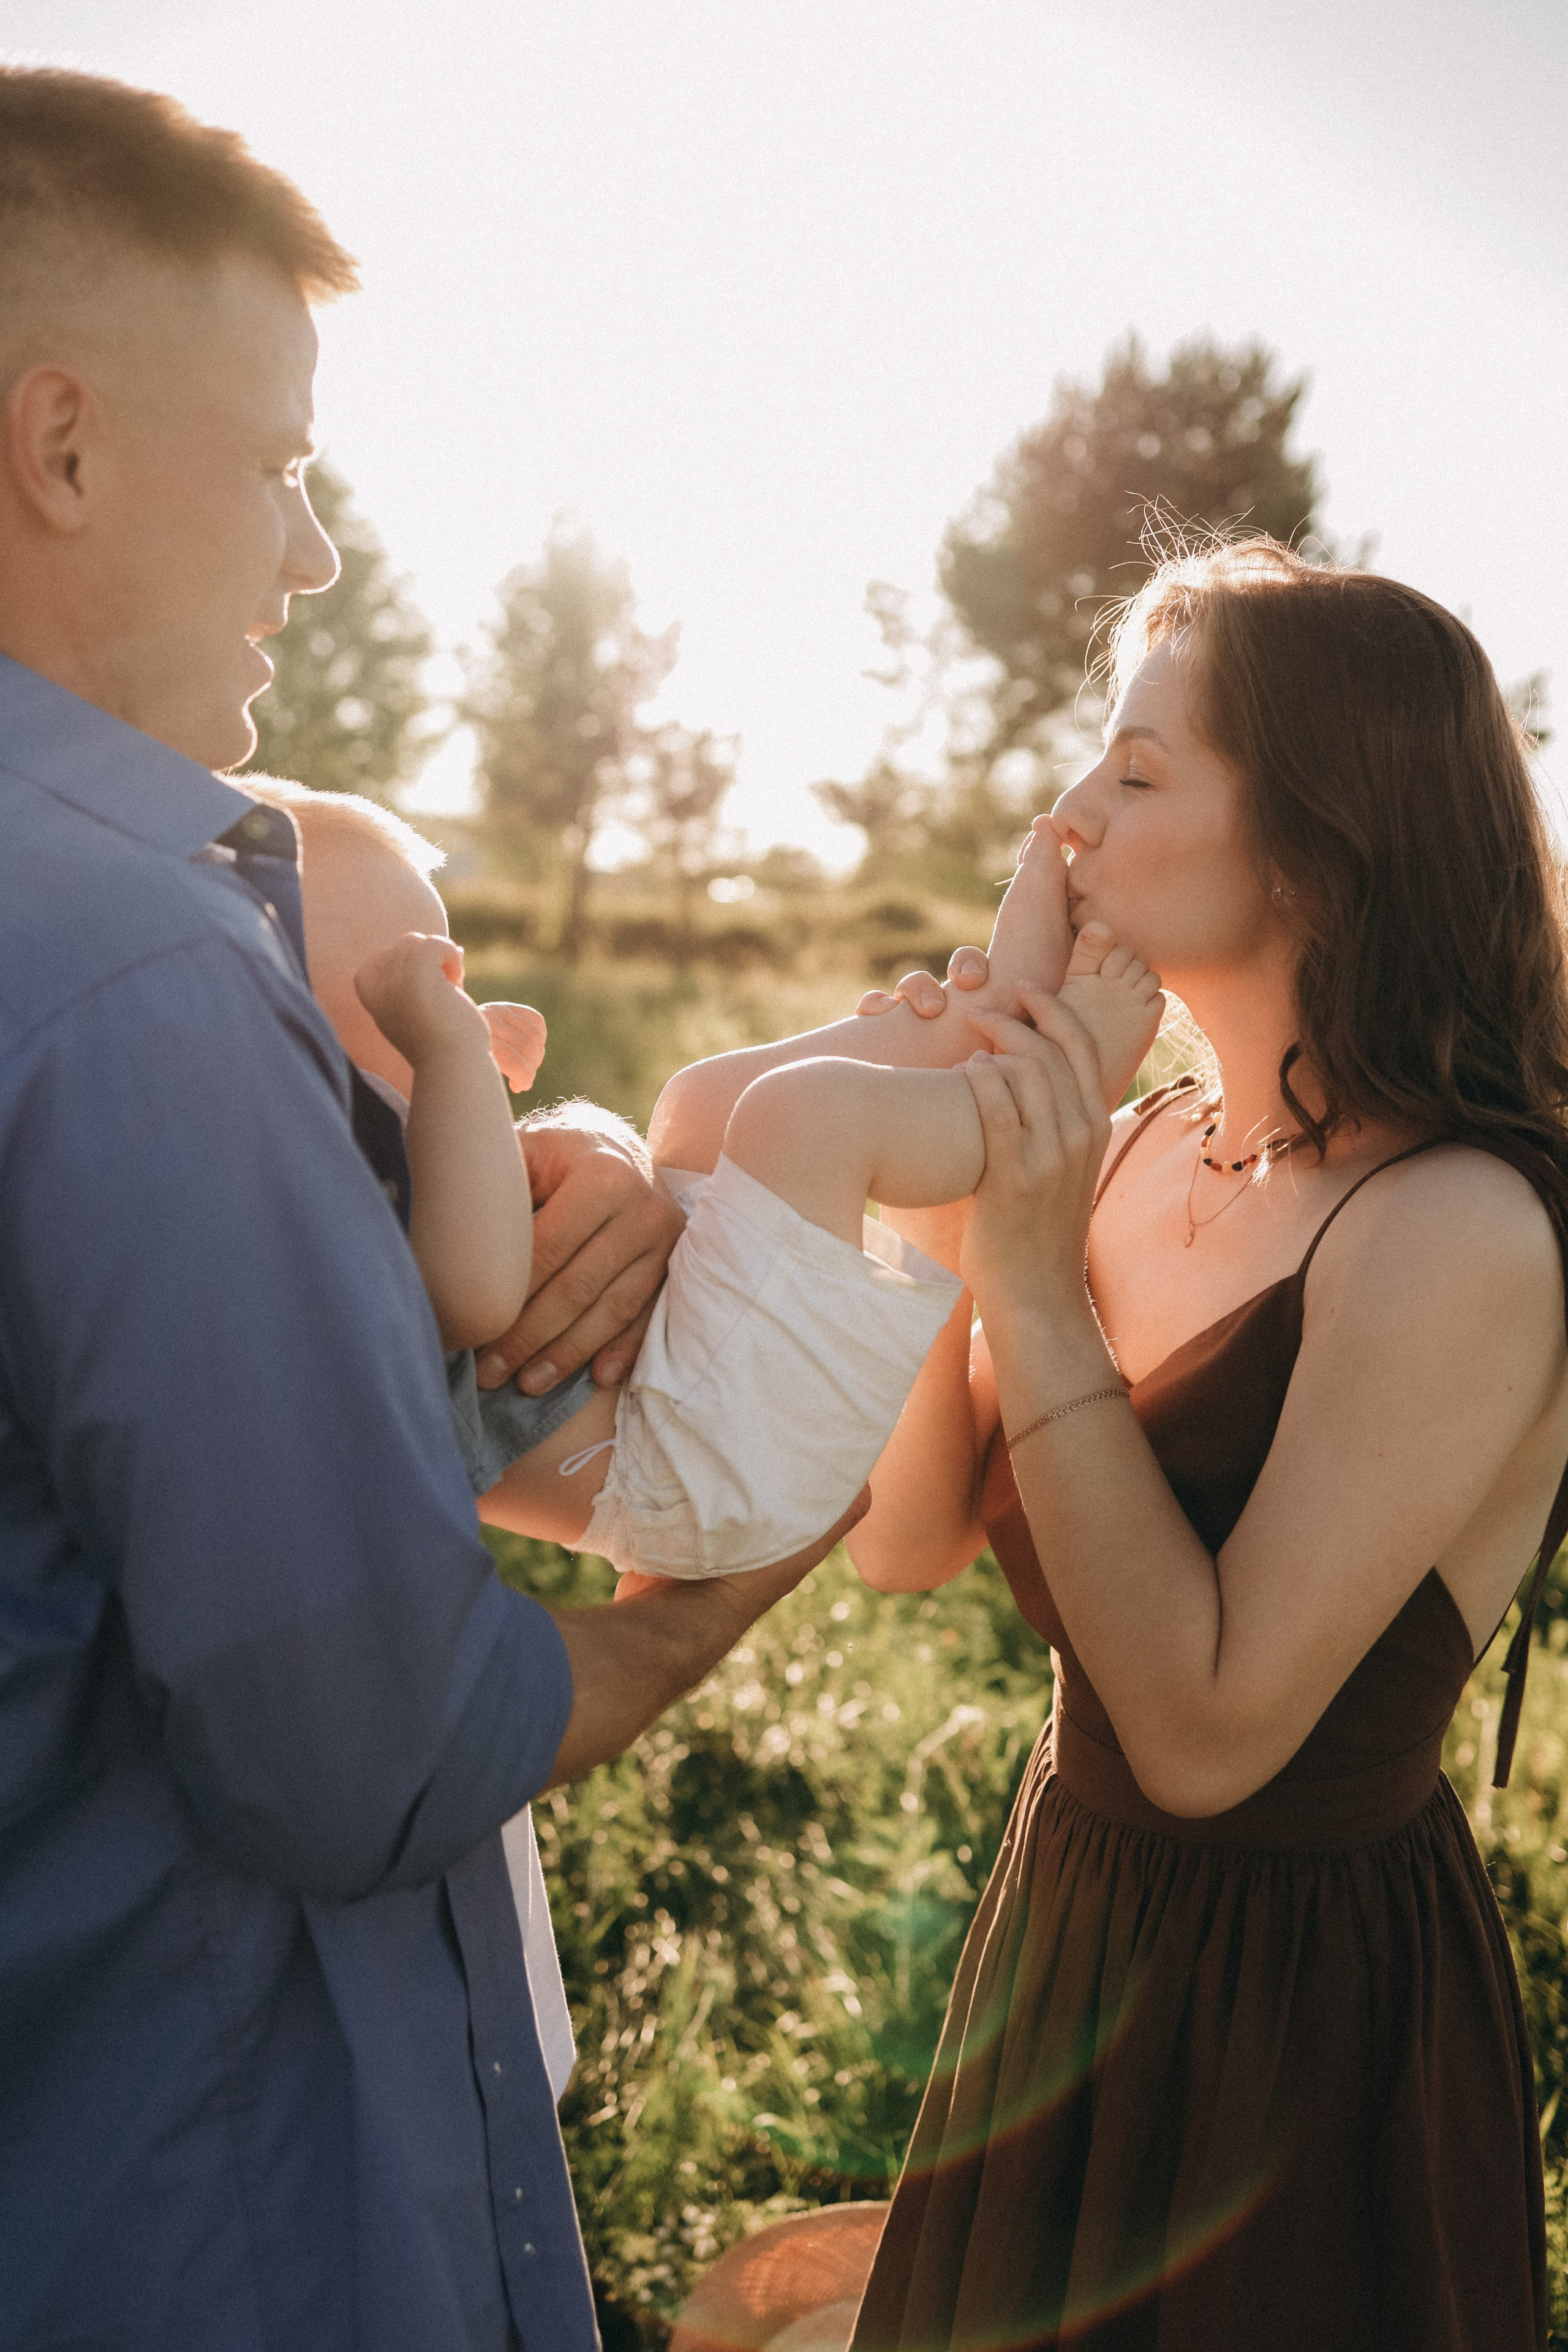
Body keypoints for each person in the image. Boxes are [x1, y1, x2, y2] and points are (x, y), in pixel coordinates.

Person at [0, 69, 857, 2352]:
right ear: (60, 445)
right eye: (280, 465)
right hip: (191, 2215)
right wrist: (713, 1599)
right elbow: (364, 1751)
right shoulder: (140, 974)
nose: (312, 557)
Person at [831, 540, 1568, 2350]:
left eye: (1139, 772)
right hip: (1068, 1930)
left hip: (1296, 2030)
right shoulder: (1144, 1144)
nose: (1066, 820)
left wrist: (1028, 1276)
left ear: (1317, 842)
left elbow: (1208, 1735)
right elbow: (904, 1538)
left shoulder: (1454, 1228)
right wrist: (964, 1158)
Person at [255, 779, 1164, 1583]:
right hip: (683, 1473)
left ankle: (989, 1019)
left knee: (698, 1101)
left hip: (679, 1384)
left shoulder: (387, 1130)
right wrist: (453, 1054)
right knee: (806, 1116)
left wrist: (461, 1067)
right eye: (418, 978)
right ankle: (1049, 1092)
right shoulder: (312, 1183)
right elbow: (473, 1293)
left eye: (454, 970)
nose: (455, 995)